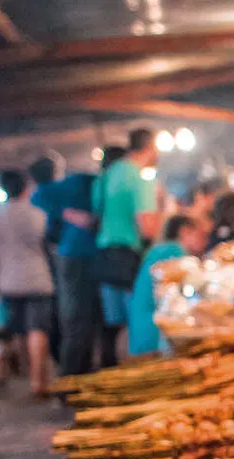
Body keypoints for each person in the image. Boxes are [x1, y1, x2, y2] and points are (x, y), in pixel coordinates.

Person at [0, 168, 55, 395]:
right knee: (38, 329)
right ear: (26, 188)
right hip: (39, 279)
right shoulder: (38, 215)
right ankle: (39, 381)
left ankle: (29, 375)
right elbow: (50, 248)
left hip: (9, 283)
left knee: (21, 330)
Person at [34, 151, 107, 376]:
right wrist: (69, 213)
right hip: (78, 259)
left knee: (85, 321)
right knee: (79, 322)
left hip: (79, 258)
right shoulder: (79, 183)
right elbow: (38, 199)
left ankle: (79, 377)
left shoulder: (77, 184)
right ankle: (71, 381)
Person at [93, 128, 160, 365]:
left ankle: (113, 370)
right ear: (150, 147)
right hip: (128, 258)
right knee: (135, 319)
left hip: (103, 255)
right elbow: (147, 228)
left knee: (115, 323)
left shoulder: (107, 176)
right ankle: (132, 373)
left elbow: (97, 214)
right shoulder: (139, 178)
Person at [128, 214, 208, 356]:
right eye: (200, 235)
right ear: (185, 231)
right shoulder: (174, 251)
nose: (203, 242)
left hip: (140, 330)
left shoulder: (158, 250)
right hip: (154, 332)